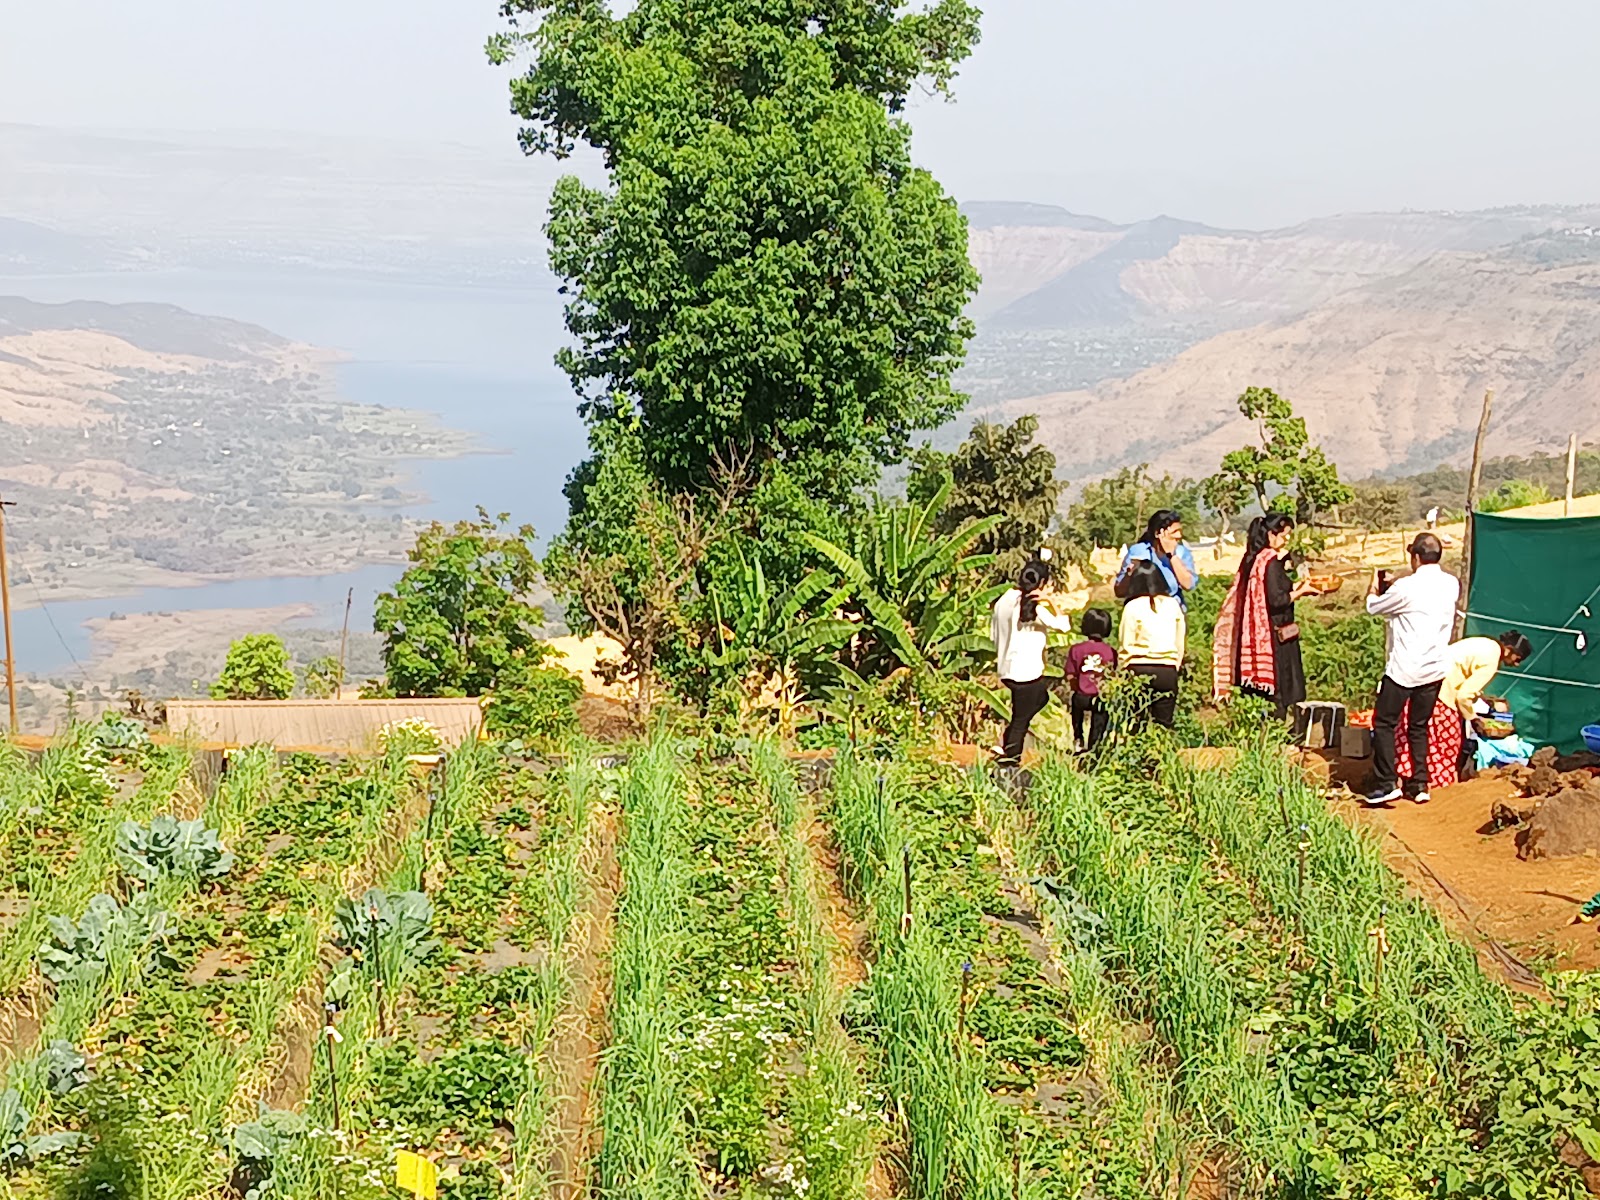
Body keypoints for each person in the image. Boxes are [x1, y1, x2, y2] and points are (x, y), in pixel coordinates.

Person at [1363, 533, 1460, 806]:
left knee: (1384, 722)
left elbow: (1375, 608)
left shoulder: (1406, 588)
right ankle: (1419, 784)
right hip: (1434, 669)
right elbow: (1420, 598)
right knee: (1418, 726)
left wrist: (1375, 588)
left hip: (1405, 669)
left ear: (1415, 557)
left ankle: (1387, 782)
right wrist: (1398, 586)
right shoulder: (1451, 583)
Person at [1211, 513, 1318, 718]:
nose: (1286, 540)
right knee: (1279, 691)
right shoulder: (1270, 562)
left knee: (1258, 696)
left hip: (1255, 634)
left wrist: (1298, 587)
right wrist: (1301, 592)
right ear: (1271, 534)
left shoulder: (1254, 560)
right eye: (1283, 535)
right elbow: (1277, 600)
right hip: (1273, 636)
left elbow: (1270, 590)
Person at [1395, 630, 1531, 790]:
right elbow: (1463, 696)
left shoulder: (1485, 643)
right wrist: (1474, 719)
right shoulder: (1491, 661)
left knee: (1416, 737)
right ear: (1509, 649)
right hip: (1442, 696)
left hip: (1423, 684)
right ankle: (1439, 787)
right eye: (1518, 659)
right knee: (1447, 746)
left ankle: (1404, 778)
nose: (1516, 664)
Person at [991, 557, 1071, 765]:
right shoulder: (1036, 609)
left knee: (1038, 700)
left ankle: (1006, 741)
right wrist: (1051, 601)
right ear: (1042, 584)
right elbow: (1064, 626)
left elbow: (993, 633)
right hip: (1027, 672)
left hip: (1006, 666)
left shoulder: (1005, 600)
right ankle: (1010, 756)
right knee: (1021, 718)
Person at [1118, 560, 1186, 729]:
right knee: (1163, 724)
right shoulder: (1172, 605)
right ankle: (1162, 754)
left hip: (1138, 668)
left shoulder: (1132, 607)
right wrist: (1174, 665)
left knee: (1136, 722)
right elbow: (1179, 640)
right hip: (1167, 669)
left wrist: (1123, 670)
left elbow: (1126, 643)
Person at [1114, 510, 1198, 608]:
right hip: (1141, 611)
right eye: (1174, 532)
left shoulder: (1181, 553)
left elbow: (1188, 585)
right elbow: (1119, 592)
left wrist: (1171, 556)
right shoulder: (1138, 551)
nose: (1179, 536)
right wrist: (1129, 574)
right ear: (1158, 533)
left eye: (1179, 531)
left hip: (1171, 611)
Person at [1066, 608, 1117, 753]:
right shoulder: (1111, 651)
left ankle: (1078, 739)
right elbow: (1112, 676)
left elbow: (1070, 675)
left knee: (1077, 710)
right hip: (1100, 696)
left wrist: (1077, 687)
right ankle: (1094, 748)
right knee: (1100, 720)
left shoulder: (1076, 649)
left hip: (1081, 694)